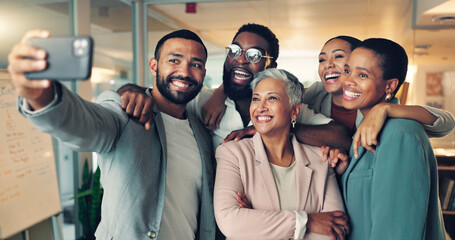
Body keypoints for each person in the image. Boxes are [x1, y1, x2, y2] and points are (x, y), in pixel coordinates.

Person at [8, 29, 220, 240]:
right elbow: (83, 125)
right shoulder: (126, 112)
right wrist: (41, 96)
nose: (185, 71)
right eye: (174, 60)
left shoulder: (201, 129)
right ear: (154, 66)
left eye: (196, 64)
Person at [118, 23, 352, 154]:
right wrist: (133, 92)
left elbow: (340, 136)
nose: (240, 59)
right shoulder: (202, 100)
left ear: (271, 65)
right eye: (235, 50)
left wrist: (275, 129)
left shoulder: (285, 110)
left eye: (254, 55)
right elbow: (154, 92)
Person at [214, 68, 348, 240]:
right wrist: (307, 221)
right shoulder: (232, 154)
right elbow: (230, 222)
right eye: (256, 99)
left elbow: (336, 230)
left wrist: (257, 223)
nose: (260, 107)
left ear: (294, 111)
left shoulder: (320, 160)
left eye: (272, 98)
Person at [339, 38, 446, 239]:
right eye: (347, 70)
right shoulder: (363, 128)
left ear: (390, 86)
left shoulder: (400, 134)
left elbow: (397, 231)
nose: (348, 81)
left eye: (362, 75)